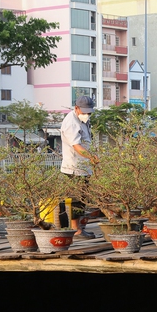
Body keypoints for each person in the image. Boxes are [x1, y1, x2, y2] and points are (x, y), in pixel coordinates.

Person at [60, 95, 97, 239]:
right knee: (75, 199)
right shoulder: (71, 123)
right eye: (84, 112)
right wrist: (92, 158)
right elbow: (77, 146)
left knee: (81, 199)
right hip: (74, 167)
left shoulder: (82, 119)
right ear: (76, 108)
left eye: (89, 112)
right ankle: (75, 230)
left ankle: (77, 228)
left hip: (83, 167)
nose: (87, 115)